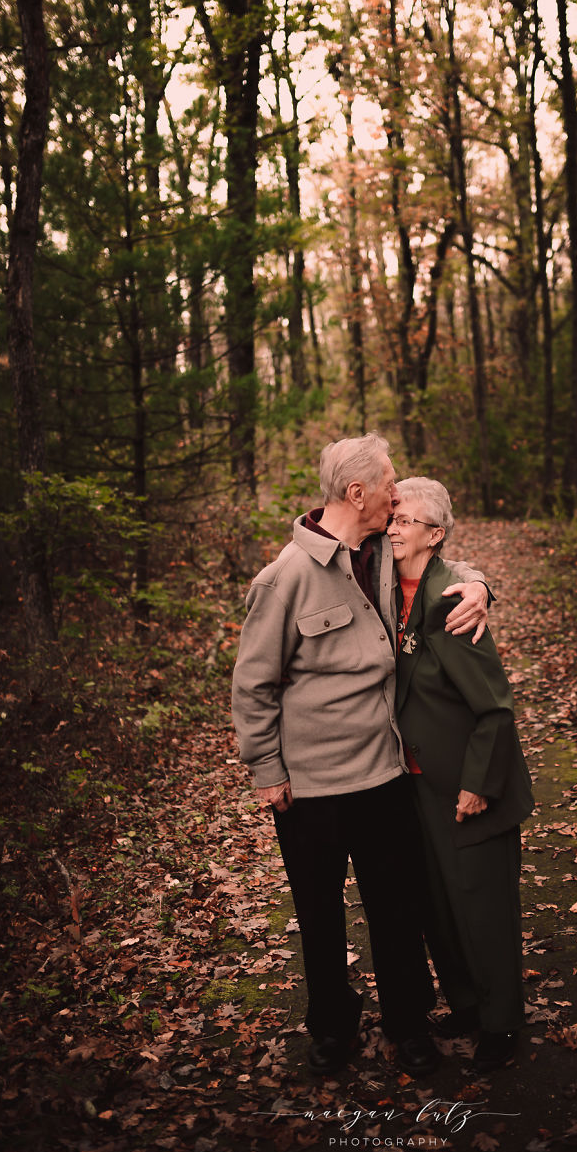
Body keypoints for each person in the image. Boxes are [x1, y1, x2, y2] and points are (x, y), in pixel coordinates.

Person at [231, 434, 490, 1077]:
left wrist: (482, 585)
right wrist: (266, 770)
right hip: (309, 788)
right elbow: (253, 683)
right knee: (319, 918)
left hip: (383, 774)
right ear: (356, 493)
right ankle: (331, 1027)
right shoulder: (283, 578)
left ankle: (409, 1025)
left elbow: (443, 570)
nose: (396, 494)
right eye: (388, 484)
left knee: (396, 910)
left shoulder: (381, 551)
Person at [388, 476, 534, 1074]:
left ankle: (502, 1025)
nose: (393, 528)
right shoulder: (384, 584)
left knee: (483, 905)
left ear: (436, 534)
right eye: (391, 518)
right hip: (418, 780)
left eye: (406, 521)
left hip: (471, 785)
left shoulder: (452, 603)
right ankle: (469, 1005)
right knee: (440, 906)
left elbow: (495, 706)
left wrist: (478, 783)